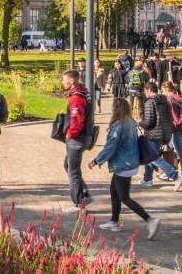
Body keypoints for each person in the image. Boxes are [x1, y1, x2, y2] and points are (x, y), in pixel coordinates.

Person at [89, 98, 162, 239]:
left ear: (116, 109)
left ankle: (150, 220)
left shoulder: (119, 125)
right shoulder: (130, 122)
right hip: (130, 162)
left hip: (123, 164)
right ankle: (114, 221)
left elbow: (110, 147)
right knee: (114, 191)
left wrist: (95, 161)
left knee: (124, 197)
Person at [61, 70, 93, 212]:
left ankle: (78, 204)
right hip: (83, 136)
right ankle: (84, 193)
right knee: (68, 164)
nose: (62, 83)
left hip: (76, 138)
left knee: (72, 171)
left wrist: (70, 134)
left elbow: (76, 120)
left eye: (64, 80)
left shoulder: (76, 98)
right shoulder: (84, 92)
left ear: (72, 81)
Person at [139, 81, 179, 186]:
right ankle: (147, 179)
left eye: (145, 91)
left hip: (153, 134)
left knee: (153, 157)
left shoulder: (149, 102)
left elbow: (149, 121)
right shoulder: (165, 101)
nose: (145, 93)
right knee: (149, 155)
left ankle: (173, 174)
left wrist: (140, 123)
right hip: (164, 133)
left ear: (148, 90)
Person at [163, 81, 182, 188]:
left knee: (180, 153)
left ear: (166, 89)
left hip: (175, 128)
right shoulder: (178, 97)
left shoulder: (170, 98)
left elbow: (172, 115)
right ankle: (168, 172)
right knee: (169, 149)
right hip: (180, 127)